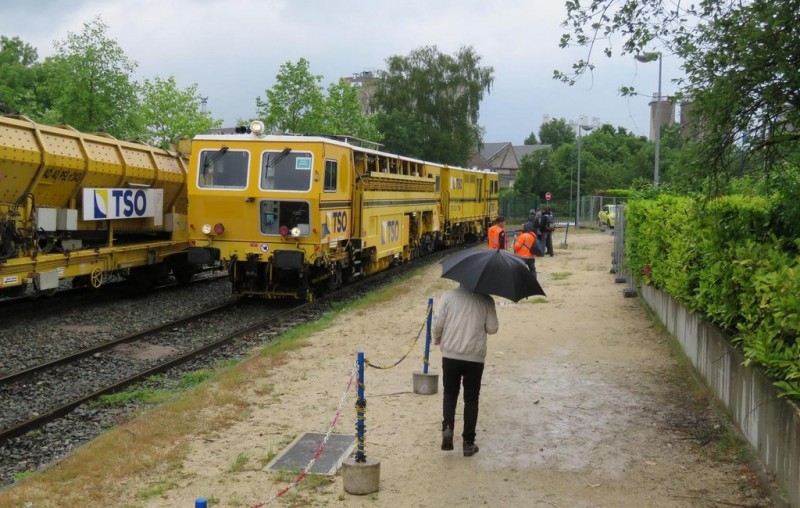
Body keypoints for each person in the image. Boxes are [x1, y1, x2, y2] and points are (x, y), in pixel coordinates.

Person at [432, 284, 499, 457]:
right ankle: (468, 442)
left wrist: (437, 339)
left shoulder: (448, 296)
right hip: (475, 357)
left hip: (450, 354)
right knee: (471, 399)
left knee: (450, 393)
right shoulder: (486, 300)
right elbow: (493, 328)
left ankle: (448, 429)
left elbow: (438, 323)